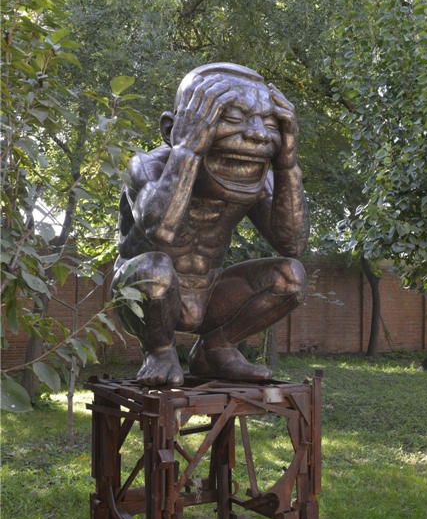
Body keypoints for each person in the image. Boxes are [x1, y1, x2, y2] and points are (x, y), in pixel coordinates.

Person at [112, 62, 309, 385]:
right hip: (146, 293)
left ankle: (216, 348)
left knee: (291, 277)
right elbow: (161, 231)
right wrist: (188, 149)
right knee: (154, 270)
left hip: (211, 291)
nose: (257, 135)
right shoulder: (147, 167)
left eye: (268, 123)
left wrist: (288, 166)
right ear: (172, 128)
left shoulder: (256, 178)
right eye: (232, 118)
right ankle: (159, 351)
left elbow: (293, 244)